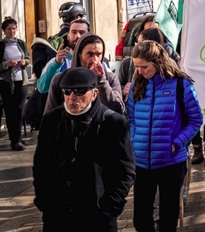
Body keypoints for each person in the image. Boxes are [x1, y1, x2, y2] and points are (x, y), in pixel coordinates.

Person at [32, 67, 135, 232]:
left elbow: (126, 171)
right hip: (57, 215)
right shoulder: (51, 120)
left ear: (94, 94)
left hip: (97, 216)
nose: (72, 97)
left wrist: (110, 208)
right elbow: (41, 165)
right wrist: (44, 201)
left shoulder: (113, 123)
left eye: (80, 91)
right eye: (67, 91)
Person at [128, 40, 203, 232]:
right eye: (137, 66)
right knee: (141, 220)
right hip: (143, 163)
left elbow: (195, 120)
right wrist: (136, 140)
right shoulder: (137, 83)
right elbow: (131, 118)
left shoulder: (180, 84)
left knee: (168, 220)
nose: (140, 71)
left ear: (157, 62)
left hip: (171, 162)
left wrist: (176, 143)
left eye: (144, 66)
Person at [45, 33, 125, 115]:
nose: (95, 59)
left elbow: (118, 110)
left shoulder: (110, 78)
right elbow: (50, 117)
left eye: (98, 54)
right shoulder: (60, 79)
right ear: (80, 54)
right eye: (90, 54)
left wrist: (101, 81)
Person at [0, 17, 31, 150]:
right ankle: (14, 140)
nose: (12, 31)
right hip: (6, 82)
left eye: (14, 28)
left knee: (20, 109)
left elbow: (28, 59)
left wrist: (24, 62)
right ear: (4, 31)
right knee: (10, 111)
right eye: (9, 29)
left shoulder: (21, 44)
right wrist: (7, 64)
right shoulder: (0, 46)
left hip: (21, 81)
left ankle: (18, 137)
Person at [36, 18, 90, 94]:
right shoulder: (58, 61)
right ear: (68, 36)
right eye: (74, 32)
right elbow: (42, 88)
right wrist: (56, 64)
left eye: (82, 32)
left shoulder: (98, 61)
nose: (77, 36)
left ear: (89, 35)